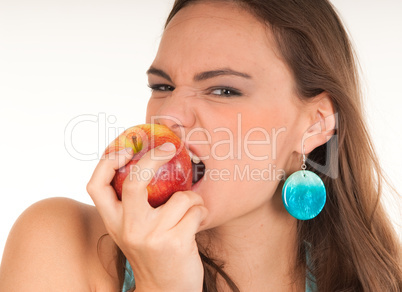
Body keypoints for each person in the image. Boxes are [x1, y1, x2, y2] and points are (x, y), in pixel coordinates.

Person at [0, 0, 400, 291]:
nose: (170, 113)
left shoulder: (384, 278)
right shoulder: (60, 243)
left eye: (223, 90)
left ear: (315, 125)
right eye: (163, 86)